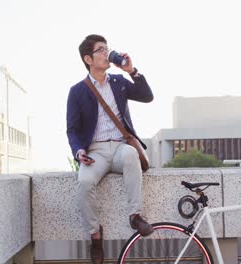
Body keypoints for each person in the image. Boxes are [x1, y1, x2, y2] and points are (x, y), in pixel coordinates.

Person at [66, 34, 154, 263]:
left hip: (121, 146)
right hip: (95, 152)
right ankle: (95, 235)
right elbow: (72, 130)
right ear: (88, 59)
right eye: (101, 50)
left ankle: (135, 216)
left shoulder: (119, 82)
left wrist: (132, 71)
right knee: (84, 182)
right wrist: (79, 151)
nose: (107, 54)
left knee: (131, 154)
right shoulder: (77, 91)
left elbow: (147, 96)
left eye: (107, 49)